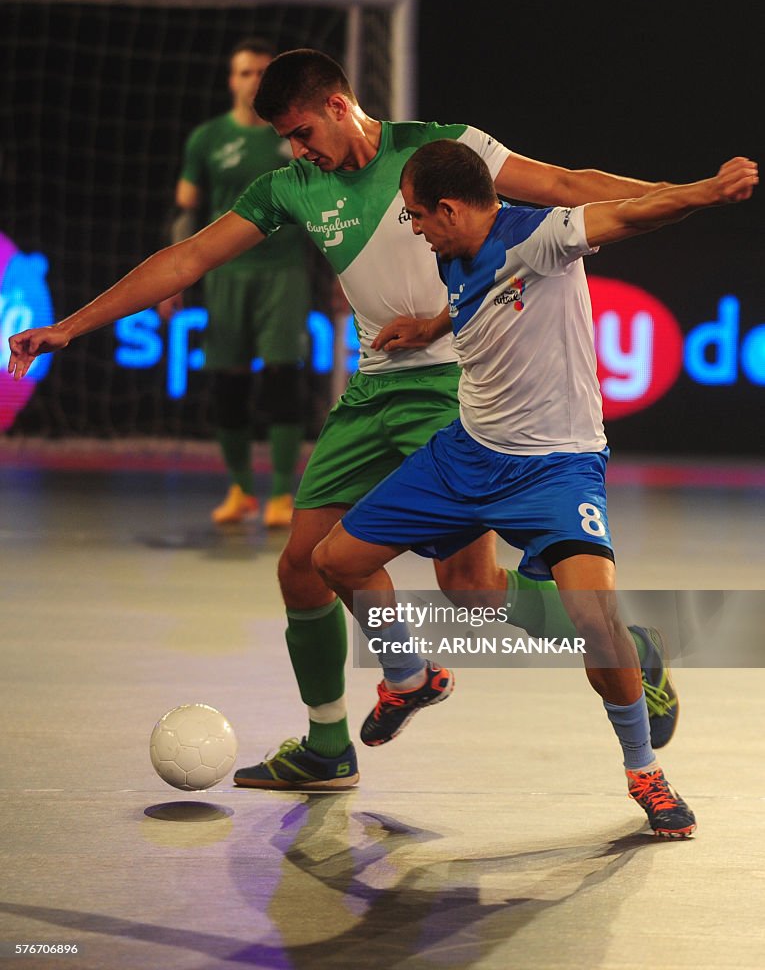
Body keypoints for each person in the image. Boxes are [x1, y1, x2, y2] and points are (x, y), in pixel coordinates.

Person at [8, 49, 685, 790]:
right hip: (373, 392)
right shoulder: (292, 187)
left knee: (472, 593)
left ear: (338, 105)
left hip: (454, 389)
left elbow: (560, 185)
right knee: (302, 566)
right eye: (287, 142)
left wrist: (685, 194)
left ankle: (629, 645)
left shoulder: (436, 150)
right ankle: (334, 738)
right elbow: (190, 257)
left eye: (301, 132)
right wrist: (71, 326)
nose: (298, 150)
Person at [311, 140, 757, 835]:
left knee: (596, 622)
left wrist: (707, 189)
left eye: (418, 217)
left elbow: (632, 214)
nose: (415, 229)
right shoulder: (450, 251)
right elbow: (480, 302)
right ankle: (409, 676)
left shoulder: (543, 235)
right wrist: (430, 324)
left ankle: (644, 770)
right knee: (334, 561)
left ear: (451, 209)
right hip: (465, 453)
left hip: (556, 465)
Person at [160, 38, 312, 528]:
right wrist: (173, 278)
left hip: (283, 271)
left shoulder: (292, 136)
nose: (252, 81)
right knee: (228, 381)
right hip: (226, 274)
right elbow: (187, 210)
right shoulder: (206, 140)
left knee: (283, 377)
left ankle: (282, 494)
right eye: (245, 73)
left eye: (262, 73)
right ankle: (241, 489)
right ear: (232, 80)